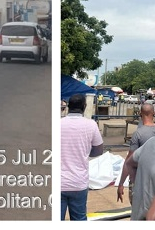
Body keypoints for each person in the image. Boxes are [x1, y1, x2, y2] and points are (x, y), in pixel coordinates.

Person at [61, 93, 104, 221]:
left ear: (68, 107)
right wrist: (84, 152)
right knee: (79, 219)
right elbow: (98, 150)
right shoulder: (91, 125)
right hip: (78, 183)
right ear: (84, 106)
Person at [117, 103, 155, 205]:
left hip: (139, 181)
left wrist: (121, 184)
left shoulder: (138, 134)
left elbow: (129, 161)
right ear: (154, 113)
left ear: (140, 114)